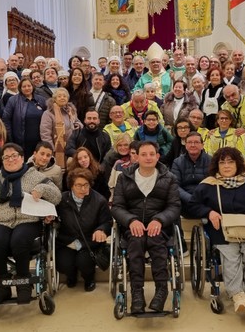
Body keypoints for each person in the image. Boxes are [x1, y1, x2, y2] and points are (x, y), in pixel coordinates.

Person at [0, 143, 62, 303]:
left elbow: (57, 196)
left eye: (14, 156)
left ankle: (24, 284)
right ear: (2, 160)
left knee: (19, 239)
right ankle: (2, 286)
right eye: (6, 157)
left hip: (28, 219)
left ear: (22, 158)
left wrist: (42, 189)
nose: (10, 159)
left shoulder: (35, 176)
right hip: (1, 220)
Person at [189, 147, 245, 315]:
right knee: (231, 258)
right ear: (217, 165)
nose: (226, 166)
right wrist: (208, 212)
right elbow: (192, 205)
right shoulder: (208, 185)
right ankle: (237, 296)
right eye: (222, 162)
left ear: (237, 164)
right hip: (221, 233)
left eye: (230, 162)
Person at [111, 141, 181, 313]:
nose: (148, 158)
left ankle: (161, 291)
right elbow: (117, 207)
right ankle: (137, 293)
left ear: (158, 156)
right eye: (144, 154)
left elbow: (174, 206)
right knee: (136, 242)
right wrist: (131, 221)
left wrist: (159, 220)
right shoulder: (124, 177)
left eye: (152, 154)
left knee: (156, 241)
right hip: (133, 226)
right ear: (136, 157)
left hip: (160, 226)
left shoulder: (169, 178)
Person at [56, 168, 112, 291]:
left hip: (89, 242)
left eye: (86, 185)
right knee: (64, 263)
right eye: (78, 185)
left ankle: (89, 278)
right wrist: (49, 219)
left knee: (84, 262)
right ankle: (71, 275)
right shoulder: (62, 200)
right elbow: (54, 219)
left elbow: (107, 222)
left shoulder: (99, 201)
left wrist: (101, 230)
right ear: (71, 186)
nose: (83, 189)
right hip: (67, 241)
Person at [3, 77, 47, 156]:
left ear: (33, 86)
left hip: (39, 140)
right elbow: (6, 119)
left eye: (29, 86)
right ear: (20, 88)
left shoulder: (41, 100)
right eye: (24, 86)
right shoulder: (13, 100)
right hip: (21, 141)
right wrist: (10, 138)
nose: (27, 88)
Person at [40, 87, 82, 168]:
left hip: (72, 147)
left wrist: (78, 125)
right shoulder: (48, 114)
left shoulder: (71, 111)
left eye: (64, 96)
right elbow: (45, 134)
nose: (62, 98)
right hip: (56, 149)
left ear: (68, 98)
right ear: (54, 99)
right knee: (59, 170)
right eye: (59, 96)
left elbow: (78, 122)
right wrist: (52, 150)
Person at [171, 131, 211, 214]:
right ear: (186, 145)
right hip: (185, 200)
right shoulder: (177, 162)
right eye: (189, 142)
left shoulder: (211, 161)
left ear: (202, 145)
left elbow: (213, 184)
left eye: (196, 142)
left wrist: (201, 198)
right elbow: (175, 185)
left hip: (205, 198)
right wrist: (190, 199)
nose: (193, 145)